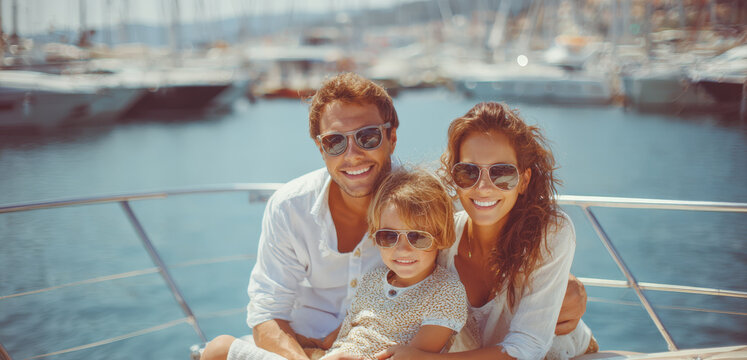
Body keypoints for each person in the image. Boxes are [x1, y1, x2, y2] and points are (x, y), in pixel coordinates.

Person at [201, 74, 588, 360]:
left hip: (407, 350)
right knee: (218, 352)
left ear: (392, 137)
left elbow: (536, 306)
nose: (352, 154)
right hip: (314, 349)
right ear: (320, 149)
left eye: (367, 137)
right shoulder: (290, 207)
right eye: (335, 141)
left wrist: (567, 294)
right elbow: (267, 311)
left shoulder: (432, 207)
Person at [377, 102, 597, 360]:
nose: (483, 187)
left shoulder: (551, 232)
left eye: (501, 173)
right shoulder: (442, 238)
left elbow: (528, 347)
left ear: (524, 181)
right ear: (453, 176)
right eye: (468, 172)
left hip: (564, 353)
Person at [306, 168, 467, 359]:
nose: (403, 249)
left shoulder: (445, 292)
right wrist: (318, 347)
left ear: (441, 236)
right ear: (375, 234)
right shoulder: (373, 278)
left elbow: (413, 356)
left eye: (418, 237)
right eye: (389, 236)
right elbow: (349, 330)